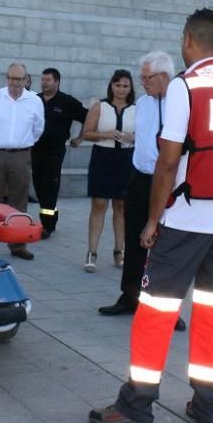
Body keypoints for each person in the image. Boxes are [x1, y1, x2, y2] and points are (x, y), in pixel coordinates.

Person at [89, 7, 213, 423]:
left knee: (156, 311)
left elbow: (167, 163)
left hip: (186, 220)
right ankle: (208, 408)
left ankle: (136, 406)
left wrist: (152, 220)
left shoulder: (186, 87)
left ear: (188, 40)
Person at [98, 52, 185, 332]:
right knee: (135, 238)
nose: (143, 83)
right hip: (140, 177)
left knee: (167, 245)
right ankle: (130, 295)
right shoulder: (144, 104)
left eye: (147, 78)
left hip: (169, 182)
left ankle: (167, 307)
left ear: (163, 77)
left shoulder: (181, 102)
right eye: (142, 78)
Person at [0, 63, 45, 260]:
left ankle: (17, 244)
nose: (15, 83)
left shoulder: (34, 101)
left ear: (26, 80)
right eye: (12, 78)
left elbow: (38, 128)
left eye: (19, 79)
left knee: (19, 200)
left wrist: (21, 143)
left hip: (21, 155)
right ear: (6, 78)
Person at [81, 69, 135, 272]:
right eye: (117, 85)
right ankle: (91, 252)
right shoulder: (99, 107)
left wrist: (133, 137)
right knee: (99, 204)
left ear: (130, 88)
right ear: (111, 86)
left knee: (121, 206)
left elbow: (146, 136)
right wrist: (106, 134)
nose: (121, 89)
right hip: (103, 158)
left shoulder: (137, 109)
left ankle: (119, 251)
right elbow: (87, 133)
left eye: (125, 85)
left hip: (126, 159)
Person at [32, 68, 87, 238]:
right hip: (35, 150)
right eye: (42, 79)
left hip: (54, 152)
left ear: (57, 82)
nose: (44, 83)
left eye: (47, 80)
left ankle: (47, 225)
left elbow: (88, 117)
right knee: (39, 186)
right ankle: (50, 216)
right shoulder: (35, 100)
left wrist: (80, 138)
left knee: (50, 186)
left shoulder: (67, 102)